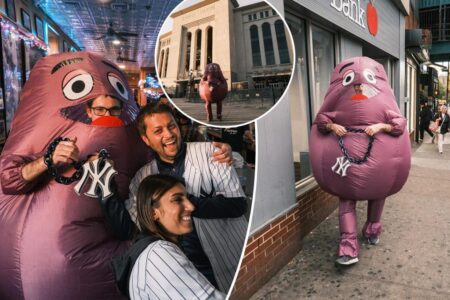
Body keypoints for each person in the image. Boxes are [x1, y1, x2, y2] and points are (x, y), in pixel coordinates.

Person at [126, 102, 247, 292]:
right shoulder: (142, 178)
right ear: (146, 139)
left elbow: (237, 205)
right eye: (158, 131)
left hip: (229, 254)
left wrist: (179, 203)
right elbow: (139, 222)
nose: (169, 134)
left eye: (171, 126)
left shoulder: (211, 153)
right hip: (184, 270)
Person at [121, 174, 225, 300]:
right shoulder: (159, 254)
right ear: (153, 212)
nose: (191, 207)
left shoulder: (153, 252)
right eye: (177, 199)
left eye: (187, 198)